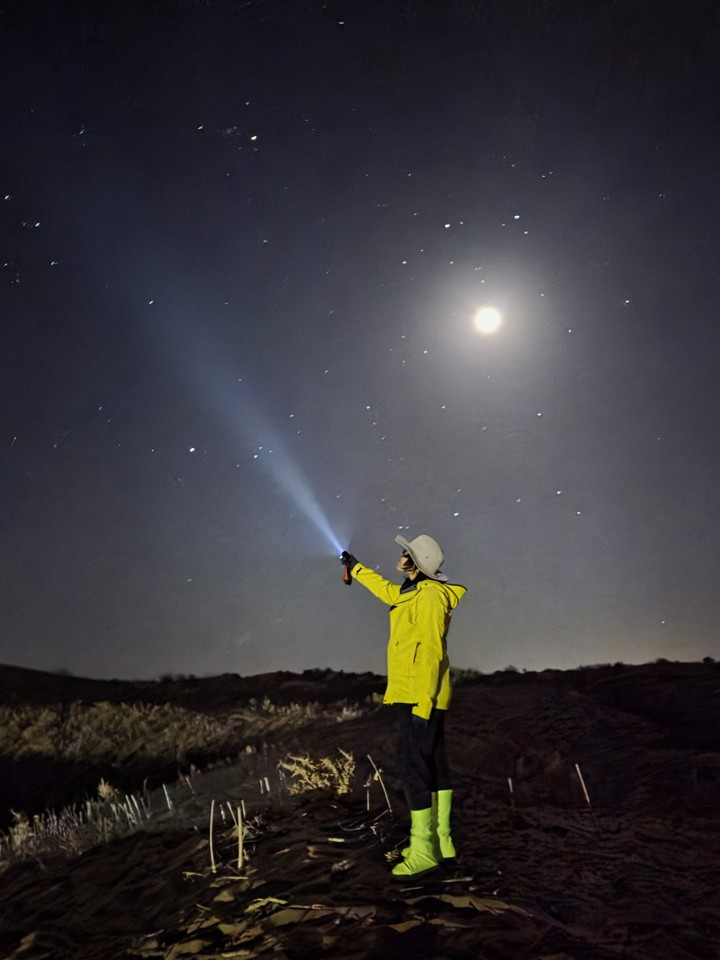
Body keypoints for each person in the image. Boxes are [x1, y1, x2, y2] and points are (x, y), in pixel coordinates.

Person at [341, 534, 466, 879]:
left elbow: (431, 652)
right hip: (420, 693)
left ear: (417, 562)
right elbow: (386, 591)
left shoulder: (430, 596)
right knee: (434, 765)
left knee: (413, 768)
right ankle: (441, 843)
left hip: (419, 695)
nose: (400, 556)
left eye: (406, 553)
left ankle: (423, 851)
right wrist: (356, 568)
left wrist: (422, 704)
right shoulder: (414, 591)